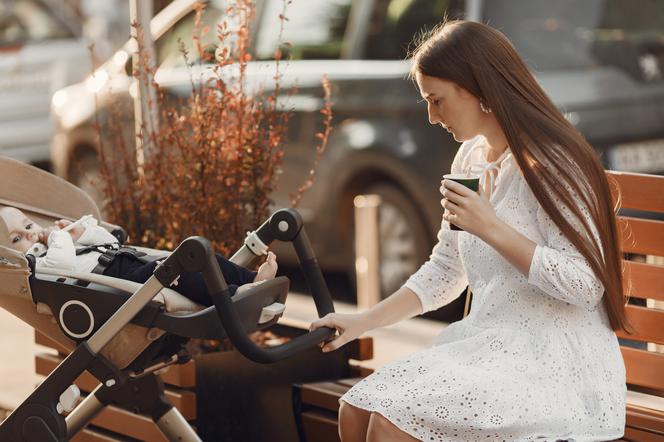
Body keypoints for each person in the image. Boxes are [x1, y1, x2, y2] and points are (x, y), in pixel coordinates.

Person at [310, 20, 627, 441]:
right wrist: (363, 321)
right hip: (490, 348)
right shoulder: (471, 159)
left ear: (478, 90)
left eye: (437, 100)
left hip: (556, 365)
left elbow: (586, 286)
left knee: (389, 425)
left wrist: (491, 228)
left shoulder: (556, 166)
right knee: (354, 407)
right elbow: (445, 271)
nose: (431, 115)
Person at [0, 206, 278, 306]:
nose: (30, 235)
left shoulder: (61, 243)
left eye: (28, 225)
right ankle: (232, 295)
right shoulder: (37, 265)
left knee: (199, 257)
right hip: (113, 285)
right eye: (16, 238)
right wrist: (56, 237)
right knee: (175, 271)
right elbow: (61, 264)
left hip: (124, 263)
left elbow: (110, 244)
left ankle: (250, 278)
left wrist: (82, 234)